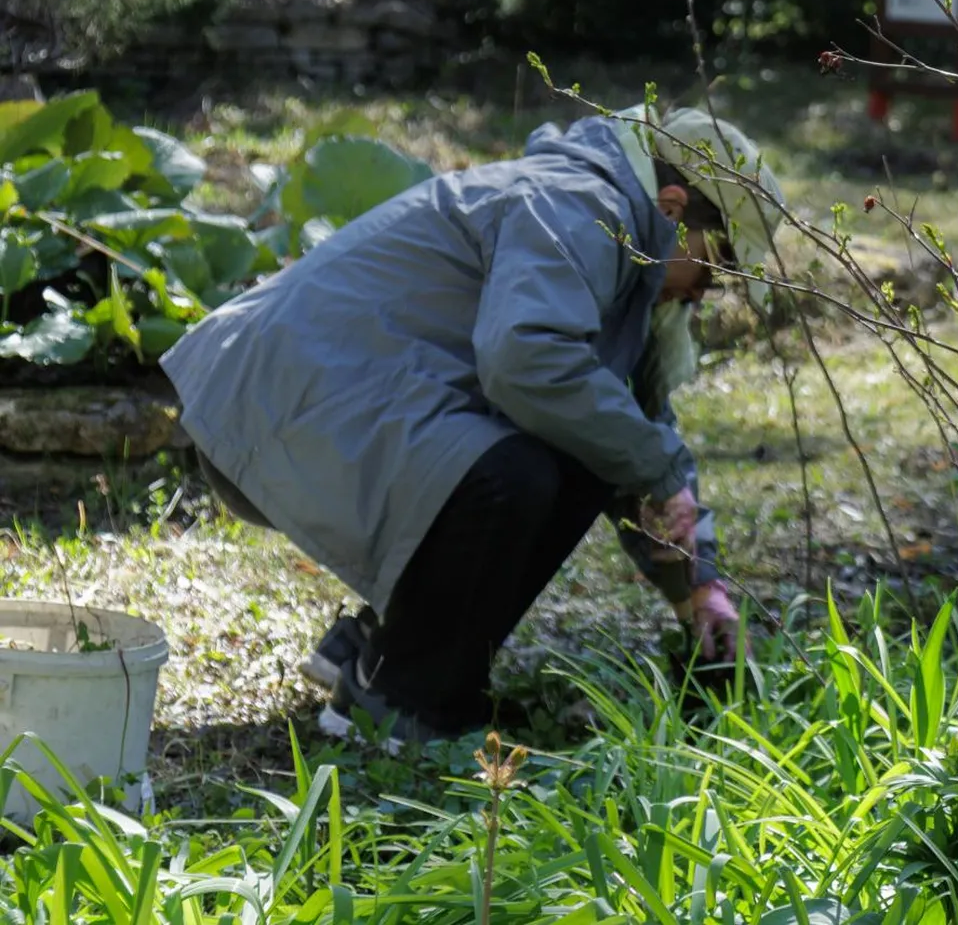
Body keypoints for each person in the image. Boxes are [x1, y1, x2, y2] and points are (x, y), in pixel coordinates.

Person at [161, 102, 784, 747]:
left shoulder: (619, 248)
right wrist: (652, 472)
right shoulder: (578, 208)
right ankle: (397, 696)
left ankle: (378, 647)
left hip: (320, 412)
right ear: (674, 209)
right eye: (715, 267)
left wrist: (699, 587)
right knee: (526, 470)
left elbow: (630, 432)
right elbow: (525, 360)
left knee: (581, 448)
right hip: (267, 411)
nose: (704, 292)